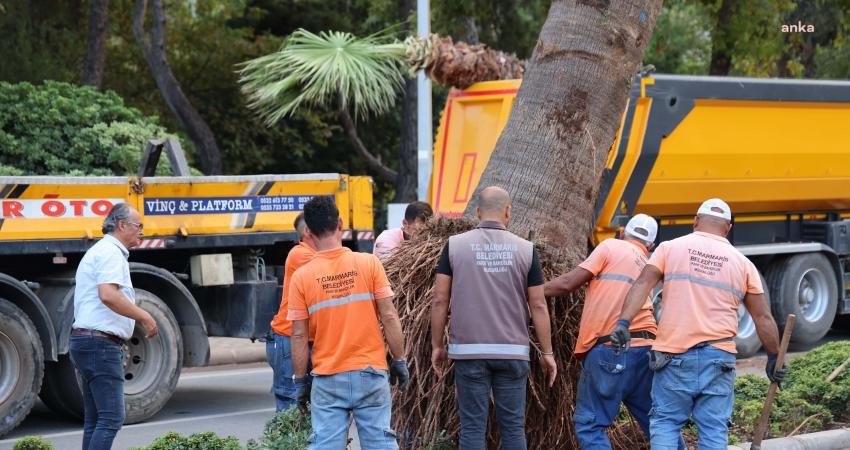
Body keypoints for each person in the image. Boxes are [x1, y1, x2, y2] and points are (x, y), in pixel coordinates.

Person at [615, 198, 786, 449]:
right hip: (718, 358)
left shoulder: (669, 248)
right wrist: (773, 356)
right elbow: (763, 318)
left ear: (696, 221)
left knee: (665, 422)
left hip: (674, 356)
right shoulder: (743, 264)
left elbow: (642, 284)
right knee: (714, 428)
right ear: (727, 228)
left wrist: (623, 322)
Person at [430, 186, 557, 450]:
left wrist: (437, 346)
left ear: (477, 212)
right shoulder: (526, 250)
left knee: (472, 428)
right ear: (508, 212)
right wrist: (547, 352)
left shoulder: (454, 246)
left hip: (468, 352)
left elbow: (440, 299)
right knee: (513, 428)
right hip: (512, 352)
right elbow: (538, 304)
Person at [544, 214, 677, 449]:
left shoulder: (610, 246)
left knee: (590, 425)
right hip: (647, 350)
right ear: (650, 245)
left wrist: (531, 291)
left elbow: (567, 283)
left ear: (622, 232)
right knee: (659, 424)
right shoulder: (649, 263)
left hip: (612, 348)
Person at [288, 195, 408, 449]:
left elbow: (298, 335)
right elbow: (389, 316)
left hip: (328, 377)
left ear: (308, 232)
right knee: (381, 443)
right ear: (340, 224)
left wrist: (300, 380)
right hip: (370, 372)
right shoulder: (369, 263)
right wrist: (399, 359)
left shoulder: (302, 277)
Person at [71, 203, 158, 450]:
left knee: (96, 419)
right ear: (122, 225)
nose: (142, 231)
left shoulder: (101, 250)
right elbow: (108, 295)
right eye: (138, 226)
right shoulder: (110, 252)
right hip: (100, 345)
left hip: (87, 342)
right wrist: (144, 316)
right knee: (111, 418)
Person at [266, 213, 315, 411]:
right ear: (308, 232)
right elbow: (333, 268)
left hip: (300, 339)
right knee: (291, 405)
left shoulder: (310, 254)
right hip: (289, 339)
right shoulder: (301, 254)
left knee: (305, 406)